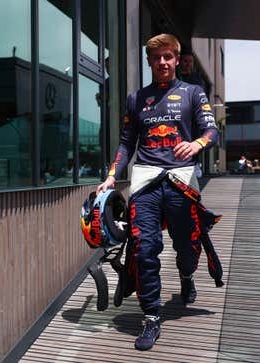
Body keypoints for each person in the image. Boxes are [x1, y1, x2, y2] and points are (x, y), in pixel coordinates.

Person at [96, 34, 219, 351]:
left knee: (187, 246)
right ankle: (151, 317)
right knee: (145, 248)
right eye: (156, 58)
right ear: (149, 62)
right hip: (146, 183)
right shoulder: (136, 99)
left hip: (180, 181)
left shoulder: (193, 93)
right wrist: (112, 176)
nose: (162, 62)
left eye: (168, 57)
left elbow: (212, 130)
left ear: (177, 60)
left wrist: (196, 144)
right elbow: (126, 144)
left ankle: (187, 275)